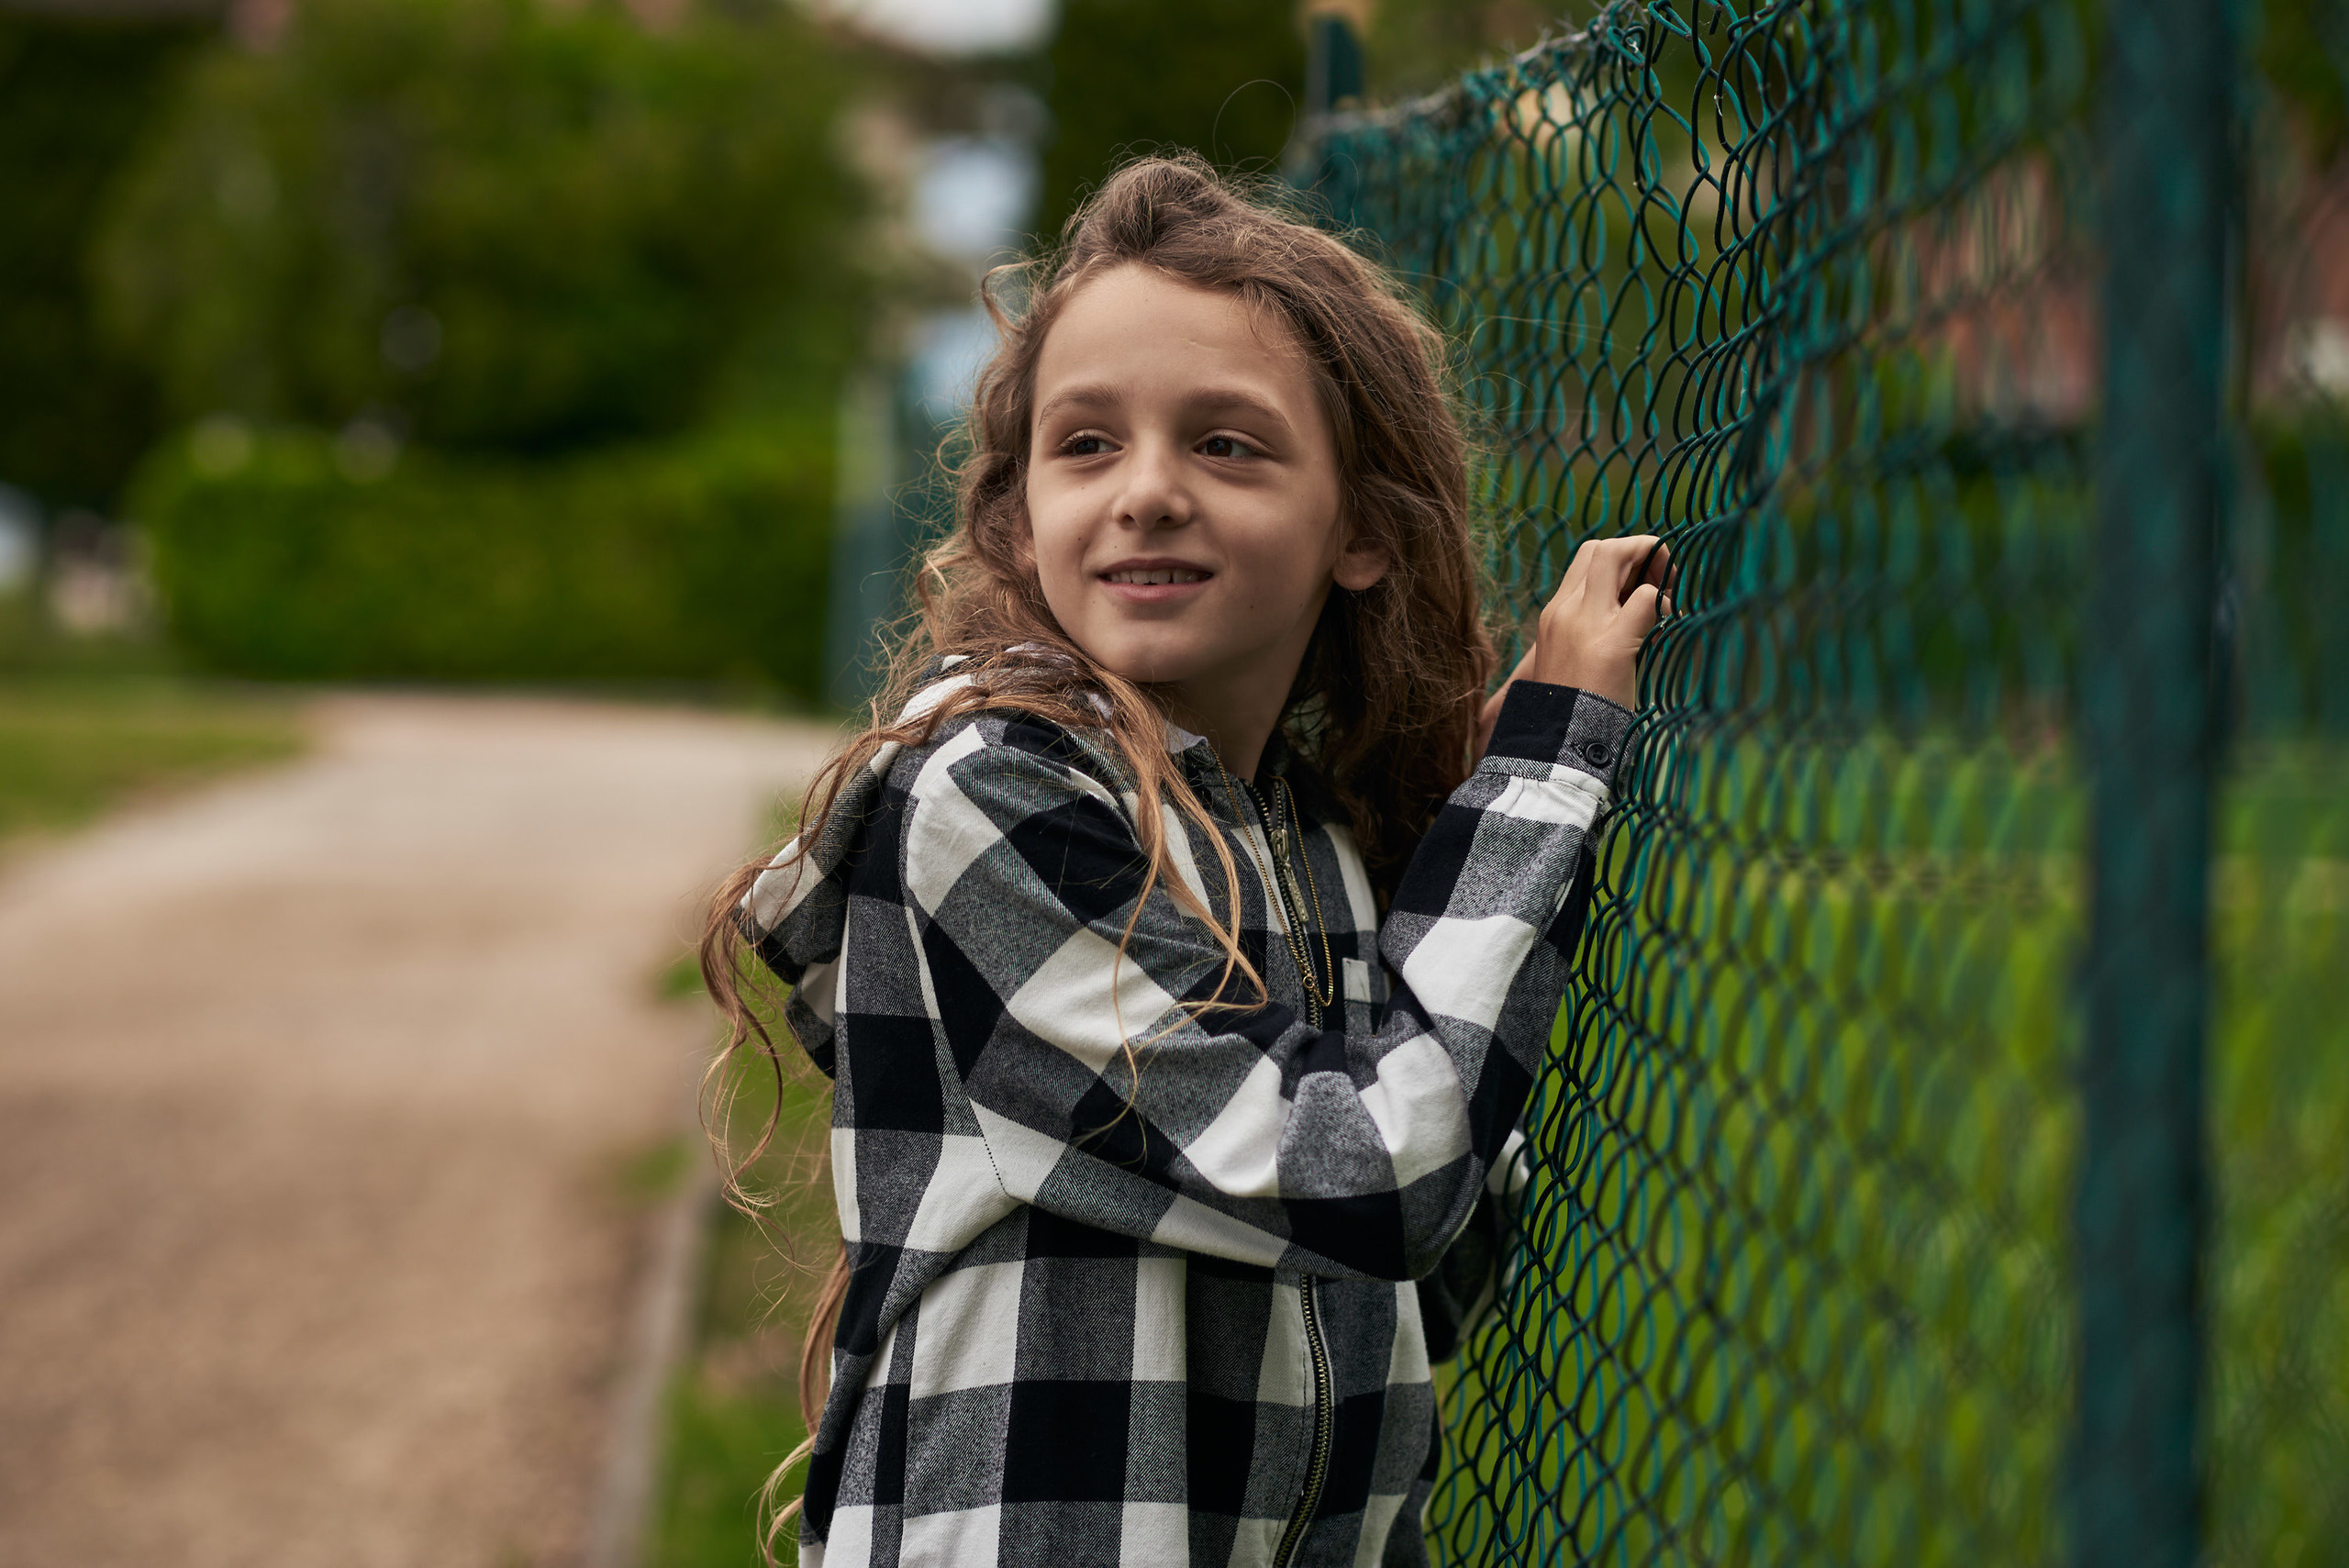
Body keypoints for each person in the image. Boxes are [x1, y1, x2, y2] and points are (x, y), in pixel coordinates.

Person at [701, 152, 1670, 1568]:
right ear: (1022, 515)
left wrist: (1459, 869)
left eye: (1226, 443)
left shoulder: (1321, 846)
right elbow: (1376, 1179)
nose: (1147, 490)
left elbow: (1420, 1280)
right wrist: (1541, 774)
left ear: (1361, 534)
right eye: (1086, 443)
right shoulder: (989, 800)